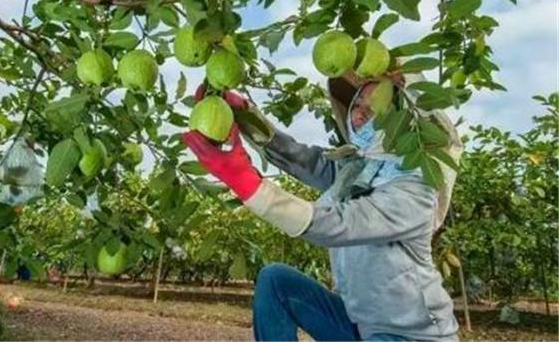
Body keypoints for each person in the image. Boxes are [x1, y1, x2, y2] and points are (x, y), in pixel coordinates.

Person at [183, 68, 463, 342]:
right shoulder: (357, 170)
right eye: (359, 103)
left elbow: (339, 224)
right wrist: (247, 117)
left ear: (403, 121)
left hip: (413, 336)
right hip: (360, 327)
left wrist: (246, 182)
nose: (360, 113)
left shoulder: (416, 191)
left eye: (375, 109)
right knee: (275, 281)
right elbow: (305, 160)